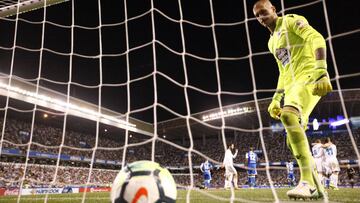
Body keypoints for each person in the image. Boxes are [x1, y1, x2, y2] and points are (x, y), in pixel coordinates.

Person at [253, 0, 332, 199]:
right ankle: (317, 187)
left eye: (264, 11)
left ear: (273, 10)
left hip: (309, 76)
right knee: (292, 141)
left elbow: (317, 38)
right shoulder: (271, 42)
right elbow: (283, 72)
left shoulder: (290, 21)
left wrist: (321, 70)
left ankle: (306, 183)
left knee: (288, 116)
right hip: (292, 86)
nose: (261, 17)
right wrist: (276, 98)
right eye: (257, 15)